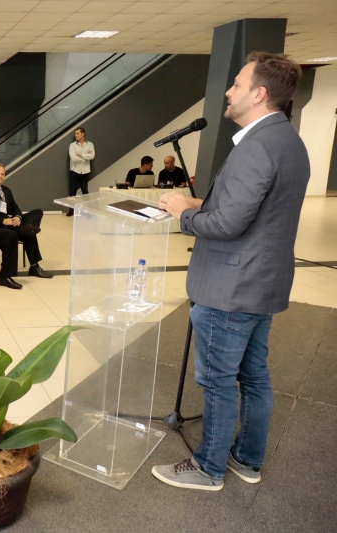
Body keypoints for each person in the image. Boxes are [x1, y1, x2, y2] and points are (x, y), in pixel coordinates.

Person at [153, 52, 309, 492]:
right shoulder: (286, 140)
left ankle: (208, 468)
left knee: (218, 382)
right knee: (254, 376)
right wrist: (200, 204)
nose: (228, 90)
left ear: (259, 93)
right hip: (261, 284)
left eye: (237, 84)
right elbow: (256, 210)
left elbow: (226, 226)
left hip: (231, 288)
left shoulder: (257, 147)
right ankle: (247, 460)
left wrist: (185, 213)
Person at [0, 163, 51, 278]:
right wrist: (3, 220)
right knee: (29, 234)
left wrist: (18, 217)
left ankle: (26, 227)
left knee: (38, 212)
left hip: (13, 221)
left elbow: (15, 207)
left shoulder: (6, 190)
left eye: (3, 174)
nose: (0, 176)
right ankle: (34, 266)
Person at [67, 127, 95, 215]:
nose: (76, 135)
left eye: (77, 133)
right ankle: (71, 210)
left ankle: (88, 210)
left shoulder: (90, 144)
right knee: (73, 191)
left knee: (85, 191)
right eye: (75, 134)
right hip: (75, 170)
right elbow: (73, 157)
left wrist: (81, 155)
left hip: (85, 171)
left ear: (83, 134)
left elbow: (92, 156)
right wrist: (85, 157)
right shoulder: (72, 145)